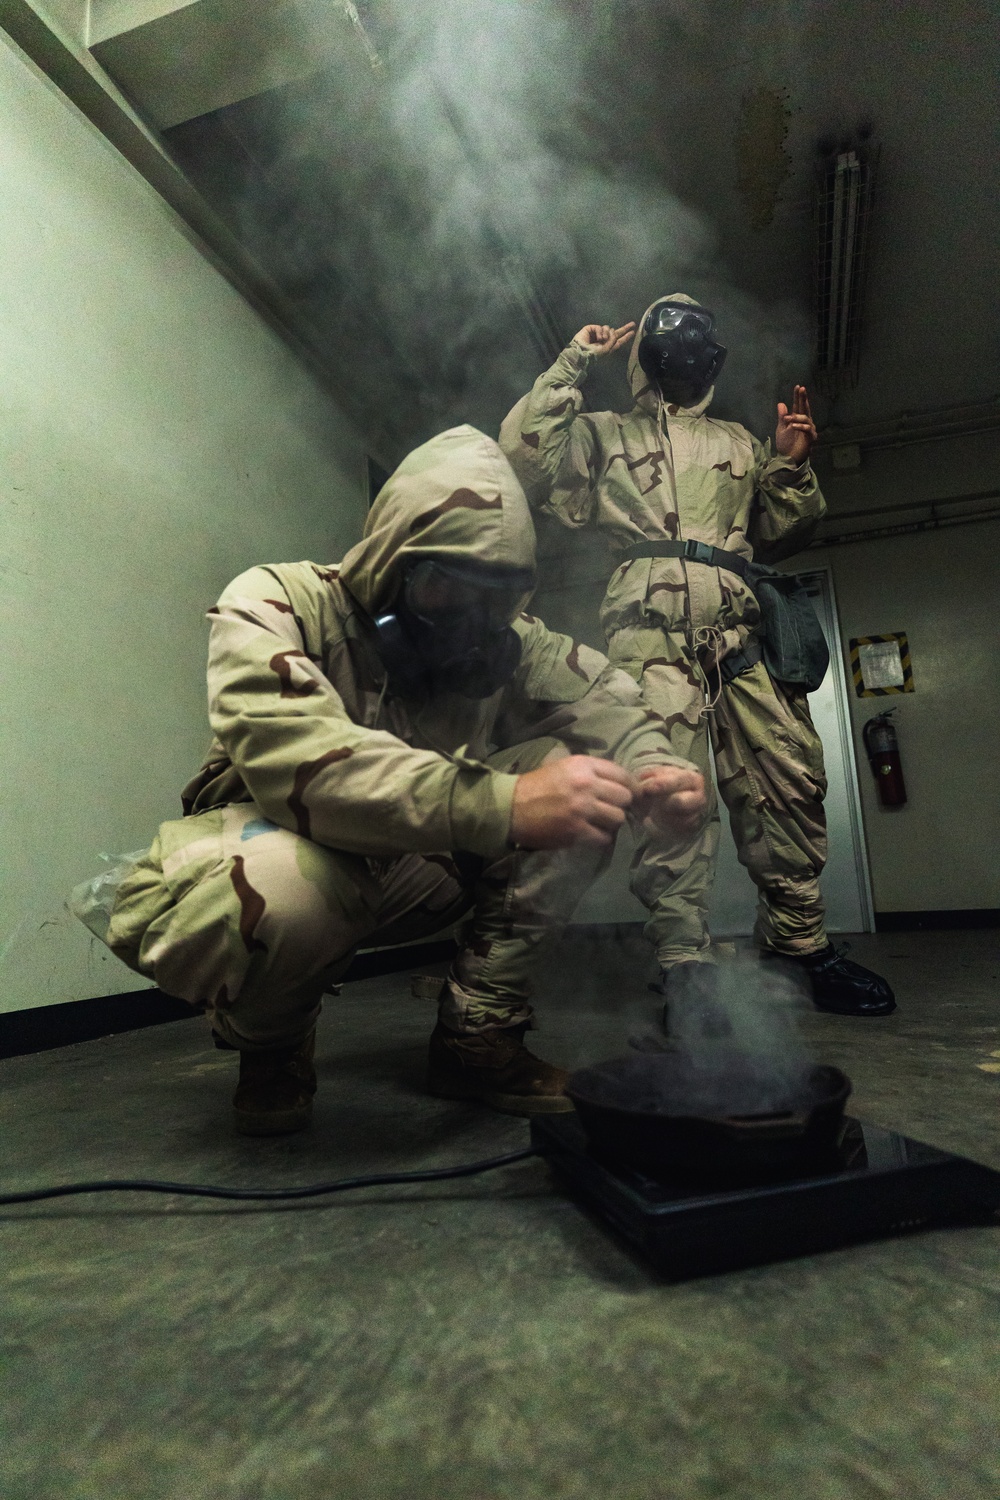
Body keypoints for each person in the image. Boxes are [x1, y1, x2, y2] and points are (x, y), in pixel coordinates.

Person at [96, 425, 706, 1135]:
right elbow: (300, 762)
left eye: (492, 596)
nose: (464, 616)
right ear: (390, 558)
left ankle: (476, 1040)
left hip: (414, 867)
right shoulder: (274, 601)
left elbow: (608, 700)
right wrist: (503, 804)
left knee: (579, 789)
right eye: (440, 583)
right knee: (283, 891)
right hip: (284, 851)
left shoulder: (509, 645)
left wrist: (659, 768)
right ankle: (271, 1045)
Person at [499, 294, 895, 1019]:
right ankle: (685, 959)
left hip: (740, 639)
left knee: (789, 781)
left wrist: (790, 467)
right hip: (649, 641)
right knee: (670, 797)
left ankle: (800, 942)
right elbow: (523, 460)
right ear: (644, 355)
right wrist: (573, 362)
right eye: (667, 333)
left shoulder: (740, 442)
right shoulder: (601, 434)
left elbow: (781, 529)